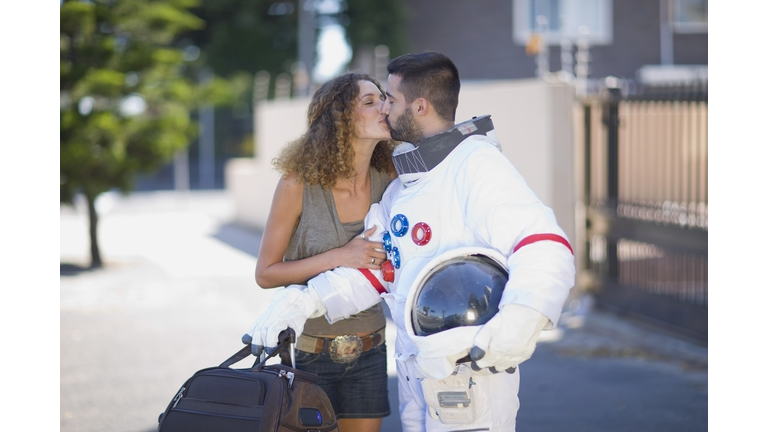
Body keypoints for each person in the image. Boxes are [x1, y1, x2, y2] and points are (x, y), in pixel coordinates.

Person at [245, 52, 575, 431]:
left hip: (470, 372)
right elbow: (379, 268)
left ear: (419, 106)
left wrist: (524, 316)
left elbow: (542, 243)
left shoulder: (476, 165)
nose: (385, 107)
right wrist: (305, 300)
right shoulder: (404, 186)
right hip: (416, 372)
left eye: (391, 99)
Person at [252, 72, 396, 432]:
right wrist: (340, 256)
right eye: (369, 101)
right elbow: (266, 273)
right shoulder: (297, 183)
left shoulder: (392, 177)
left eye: (384, 98)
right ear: (340, 117)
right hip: (308, 355)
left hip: (371, 348)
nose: (384, 106)